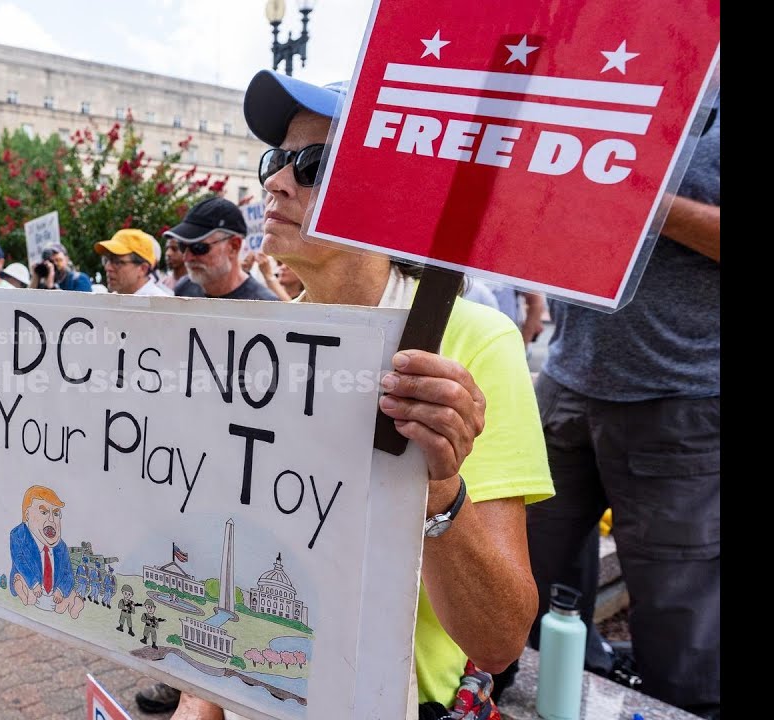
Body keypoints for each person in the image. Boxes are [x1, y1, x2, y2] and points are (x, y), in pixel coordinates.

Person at [150, 70, 552, 720]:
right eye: (275, 161)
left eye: (312, 164)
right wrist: (203, 692)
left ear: (390, 195)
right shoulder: (262, 346)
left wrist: (438, 487)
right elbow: (232, 535)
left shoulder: (475, 342)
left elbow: (498, 640)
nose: (276, 183)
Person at [524, 96, 720, 720]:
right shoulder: (620, 84)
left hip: (679, 398)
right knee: (530, 573)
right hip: (568, 377)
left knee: (677, 624)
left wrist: (638, 200)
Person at [164, 197, 279, 301]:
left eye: (198, 248)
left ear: (234, 246)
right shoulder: (183, 289)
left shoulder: (263, 306)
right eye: (182, 246)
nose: (187, 258)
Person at [3, 485, 85, 618]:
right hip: (31, 585)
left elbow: (68, 572)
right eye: (44, 512)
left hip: (53, 592)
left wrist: (60, 590)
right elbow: (20, 561)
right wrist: (34, 583)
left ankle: (73, 604)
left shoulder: (61, 547)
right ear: (27, 515)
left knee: (62, 604)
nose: (51, 519)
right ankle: (23, 591)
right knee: (26, 589)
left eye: (56, 514)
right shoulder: (19, 535)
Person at [94, 229, 173, 296]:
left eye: (117, 262)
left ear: (143, 269)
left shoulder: (161, 305)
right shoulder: (109, 301)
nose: (108, 267)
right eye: (106, 260)